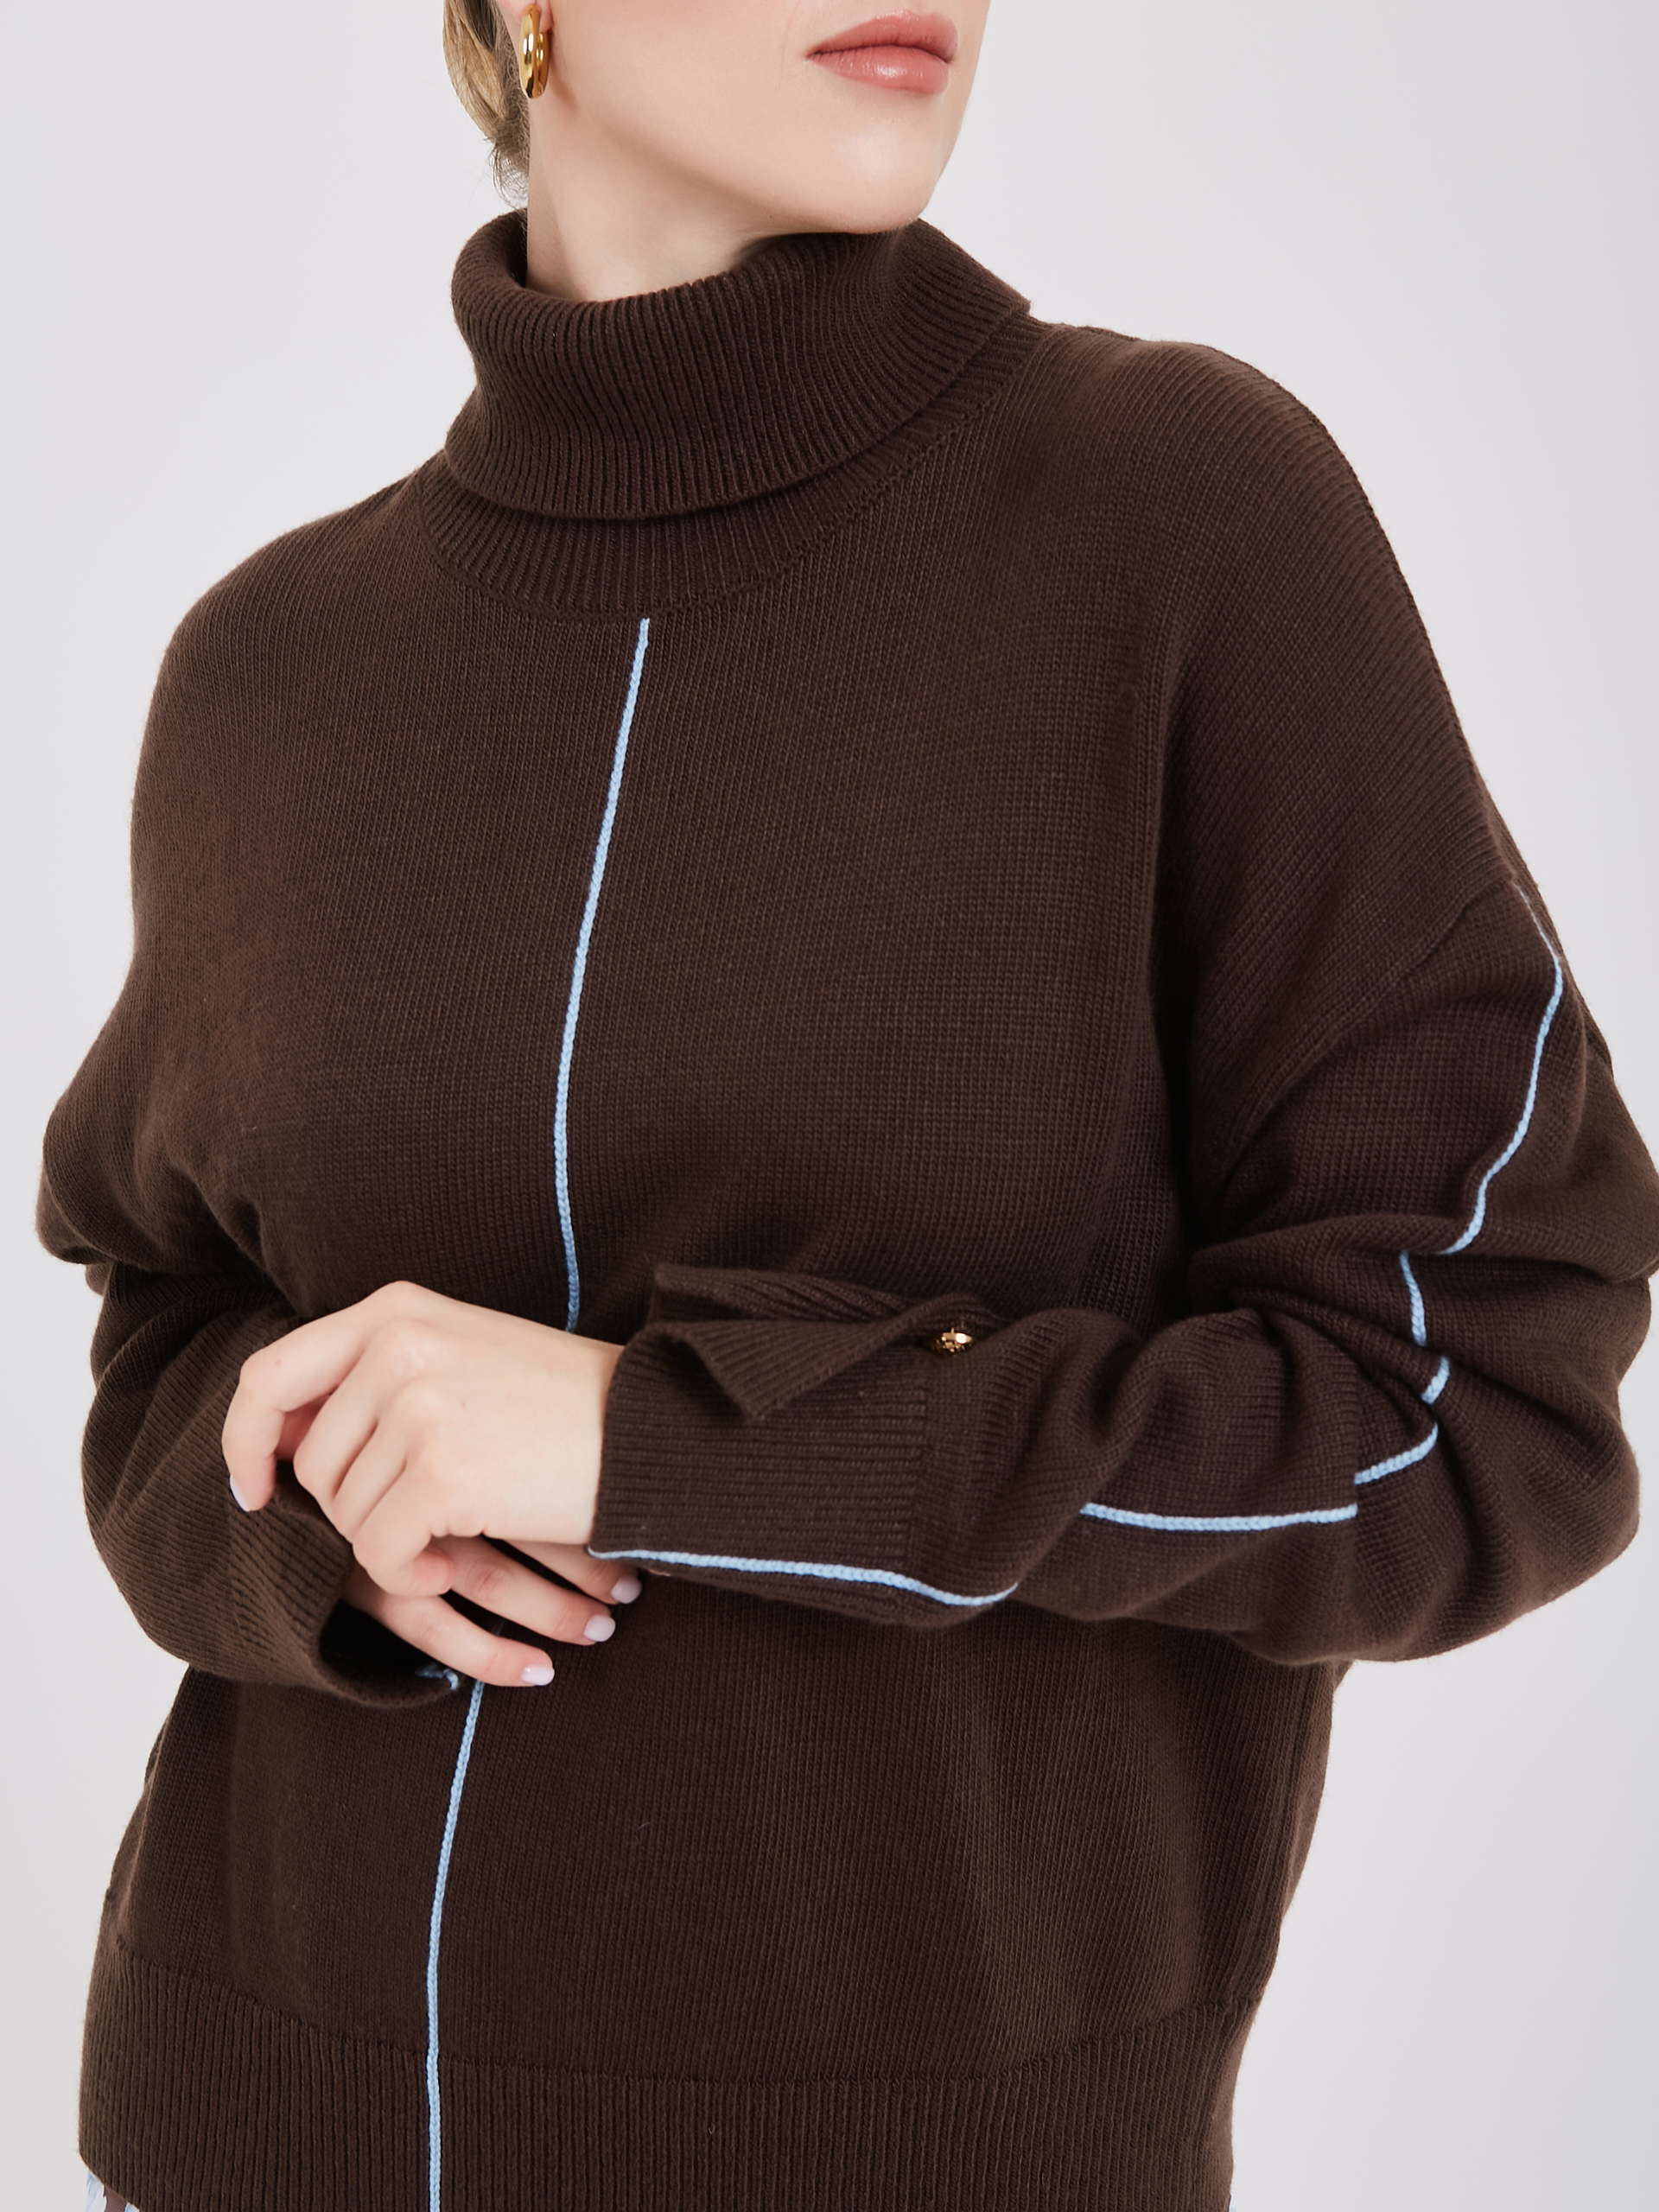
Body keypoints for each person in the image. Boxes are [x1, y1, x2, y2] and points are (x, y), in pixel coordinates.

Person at [41, 3, 1659, 2208]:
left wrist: (673, 1442)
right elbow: (167, 1329)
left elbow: (1470, 1412)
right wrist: (316, 1521)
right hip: (241, 2127)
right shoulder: (274, 660)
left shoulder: (1175, 518)